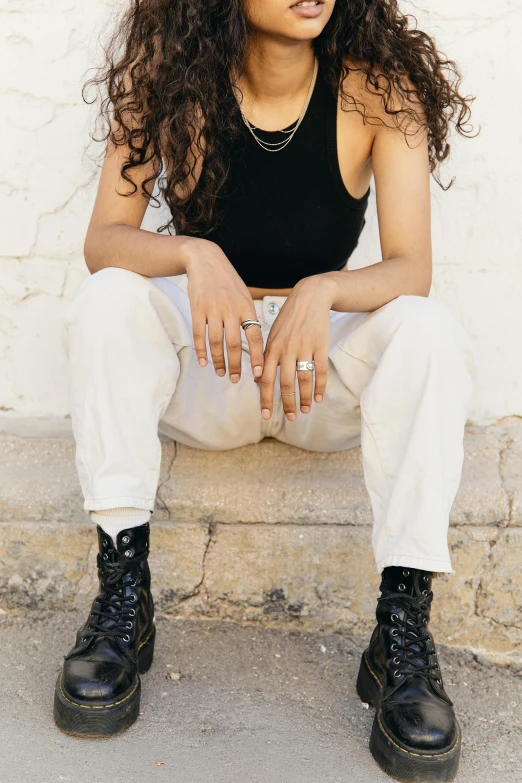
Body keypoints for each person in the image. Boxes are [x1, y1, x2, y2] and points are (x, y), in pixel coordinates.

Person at [54, 1, 476, 780]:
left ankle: (403, 633)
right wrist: (191, 255)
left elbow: (410, 266)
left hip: (317, 381)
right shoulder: (170, 80)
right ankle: (123, 602)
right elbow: (102, 241)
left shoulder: (377, 91)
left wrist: (322, 292)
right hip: (213, 370)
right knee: (107, 299)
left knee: (426, 329)